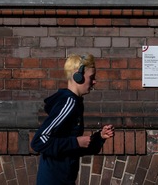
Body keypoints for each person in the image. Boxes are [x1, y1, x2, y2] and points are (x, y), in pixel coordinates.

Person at [31, 54, 114, 185]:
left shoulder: (75, 102)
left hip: (64, 179)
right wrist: (75, 142)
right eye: (91, 77)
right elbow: (39, 141)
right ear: (78, 76)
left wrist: (99, 138)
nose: (94, 82)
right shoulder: (68, 103)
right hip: (54, 180)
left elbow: (70, 147)